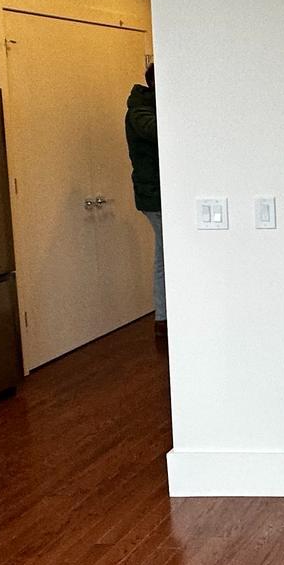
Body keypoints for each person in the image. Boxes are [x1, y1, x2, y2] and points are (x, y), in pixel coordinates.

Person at [126, 63, 164, 350]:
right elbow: (157, 131)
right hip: (155, 196)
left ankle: (164, 318)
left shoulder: (148, 107)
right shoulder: (140, 109)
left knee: (165, 255)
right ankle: (164, 319)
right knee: (167, 257)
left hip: (158, 194)